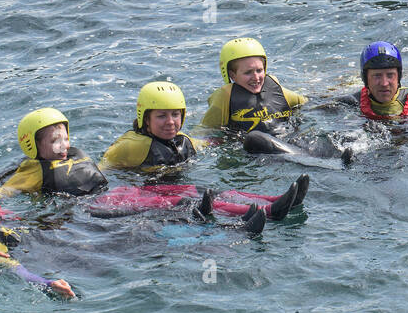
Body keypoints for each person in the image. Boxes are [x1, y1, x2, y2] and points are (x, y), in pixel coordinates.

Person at [97, 81, 307, 231]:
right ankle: (269, 212)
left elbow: (205, 143)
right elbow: (100, 173)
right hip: (145, 196)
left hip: (170, 190)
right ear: (145, 118)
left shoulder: (182, 140)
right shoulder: (130, 146)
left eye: (175, 114)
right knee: (195, 202)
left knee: (213, 192)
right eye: (161, 116)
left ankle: (275, 200)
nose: (170, 122)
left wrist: (229, 138)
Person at [203, 37, 348, 161]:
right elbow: (203, 131)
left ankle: (338, 157)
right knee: (255, 138)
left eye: (259, 70)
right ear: (232, 75)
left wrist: (335, 101)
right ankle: (313, 161)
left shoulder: (274, 87)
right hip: (261, 153)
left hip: (290, 141)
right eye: (248, 72)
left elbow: (306, 102)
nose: (256, 77)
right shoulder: (225, 97)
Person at [0, 108, 108, 196]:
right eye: (55, 141)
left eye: (66, 139)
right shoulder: (32, 172)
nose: (64, 146)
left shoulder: (76, 155)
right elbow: (3, 194)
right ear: (33, 145)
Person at [333, 42, 408, 119]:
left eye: (390, 75)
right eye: (377, 76)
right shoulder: (350, 103)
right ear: (365, 79)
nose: (384, 83)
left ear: (399, 77)